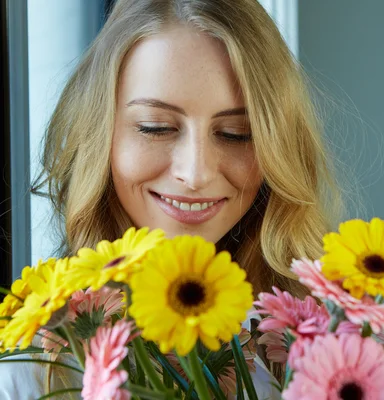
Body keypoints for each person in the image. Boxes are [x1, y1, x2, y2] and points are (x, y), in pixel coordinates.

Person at [0, 0, 346, 398]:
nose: (195, 173)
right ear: (99, 135)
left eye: (236, 133)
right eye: (156, 128)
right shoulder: (30, 375)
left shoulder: (335, 357)